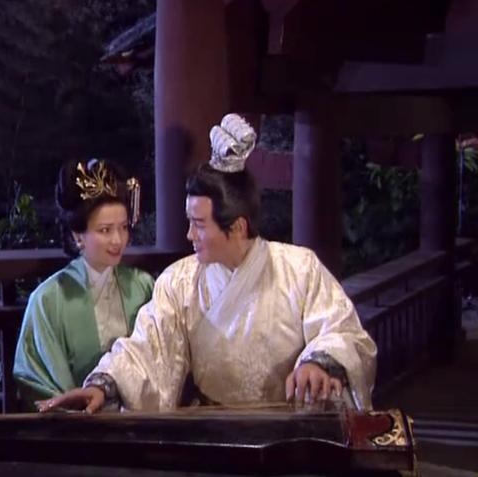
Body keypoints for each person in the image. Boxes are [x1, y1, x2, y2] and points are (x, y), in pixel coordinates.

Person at [36, 114, 377, 414]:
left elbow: (343, 332)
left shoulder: (299, 269)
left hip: (288, 429)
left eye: (199, 224)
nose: (189, 235)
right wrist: (105, 384)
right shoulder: (180, 281)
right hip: (215, 428)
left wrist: (319, 362)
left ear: (237, 227)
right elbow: (148, 348)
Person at [13, 158, 154, 410]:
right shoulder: (49, 299)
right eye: (105, 230)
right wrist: (79, 409)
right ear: (78, 236)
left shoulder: (143, 286)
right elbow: (36, 378)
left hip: (137, 418)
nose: (118, 240)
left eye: (123, 228)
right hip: (78, 425)